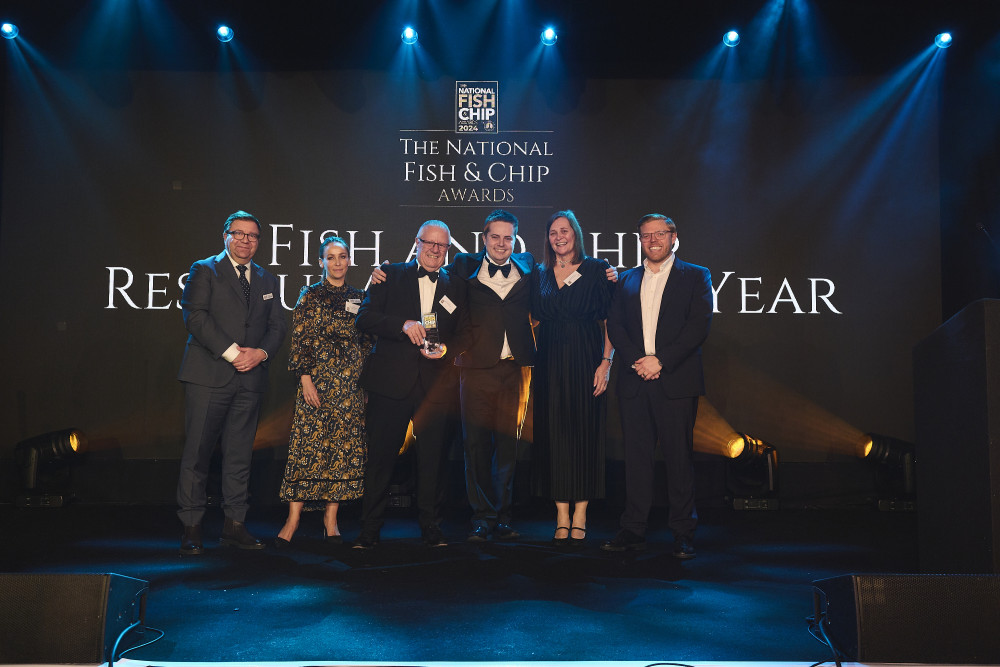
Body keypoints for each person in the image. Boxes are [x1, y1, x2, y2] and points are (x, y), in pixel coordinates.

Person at [176, 210, 288, 555]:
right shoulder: (204, 269)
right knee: (197, 454)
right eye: (238, 234)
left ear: (258, 242)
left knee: (240, 456)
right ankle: (192, 528)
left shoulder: (268, 281)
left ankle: (234, 525)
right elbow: (194, 315)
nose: (245, 240)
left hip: (251, 379)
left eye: (252, 236)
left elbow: (277, 328)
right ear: (225, 236)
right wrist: (231, 352)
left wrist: (261, 354)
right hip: (209, 375)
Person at [602, 214, 712, 559]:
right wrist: (639, 360)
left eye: (659, 234)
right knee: (636, 460)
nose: (652, 240)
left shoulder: (696, 276)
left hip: (675, 381)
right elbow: (616, 326)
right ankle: (633, 529)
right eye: (646, 235)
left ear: (673, 236)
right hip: (634, 380)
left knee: (679, 459)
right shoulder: (626, 280)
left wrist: (660, 361)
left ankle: (683, 532)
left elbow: (698, 326)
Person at [354, 220, 466, 549]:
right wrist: (401, 324)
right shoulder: (390, 275)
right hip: (390, 382)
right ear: (416, 243)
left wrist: (448, 349)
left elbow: (465, 333)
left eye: (441, 245)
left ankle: (431, 525)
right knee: (380, 459)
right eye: (429, 243)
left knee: (432, 460)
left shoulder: (457, 285)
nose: (435, 250)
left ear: (448, 249)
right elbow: (364, 318)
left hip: (434, 386)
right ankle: (369, 529)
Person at [276, 236, 371, 547]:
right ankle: (293, 521)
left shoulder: (361, 297)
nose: (338, 262)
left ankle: (331, 521)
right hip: (316, 385)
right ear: (321, 262)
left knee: (341, 453)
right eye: (331, 257)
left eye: (343, 256)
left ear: (349, 260)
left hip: (349, 389)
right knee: (306, 450)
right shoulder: (310, 295)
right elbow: (300, 339)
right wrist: (304, 378)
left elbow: (367, 343)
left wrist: (363, 383)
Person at [531, 210, 616, 546]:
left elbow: (610, 320)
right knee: (554, 436)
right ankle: (561, 515)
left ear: (575, 234)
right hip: (549, 363)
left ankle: (580, 513)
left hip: (586, 360)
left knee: (584, 434)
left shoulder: (598, 270)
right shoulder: (539, 274)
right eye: (553, 232)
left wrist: (605, 362)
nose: (559, 237)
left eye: (564, 231)